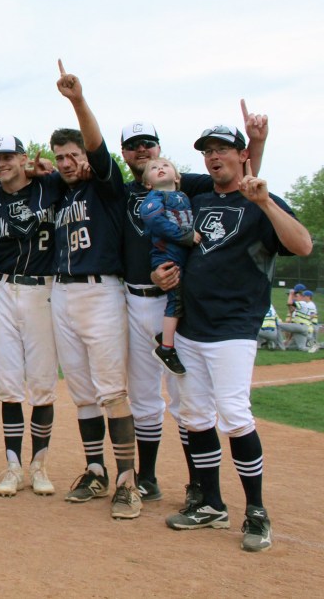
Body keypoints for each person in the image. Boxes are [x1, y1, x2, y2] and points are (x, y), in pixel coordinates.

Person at [154, 124, 312, 552]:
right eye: (208, 151)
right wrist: (160, 272)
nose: (213, 156)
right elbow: (176, 244)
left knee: (235, 417)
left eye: (223, 149)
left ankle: (256, 511)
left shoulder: (260, 202)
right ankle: (211, 503)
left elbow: (303, 245)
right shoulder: (197, 198)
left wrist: (265, 202)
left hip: (233, 328)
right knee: (196, 417)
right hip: (190, 325)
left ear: (243, 156)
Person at [118, 104, 265, 506]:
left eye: (149, 143)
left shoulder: (190, 186)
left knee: (187, 400)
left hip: (178, 301)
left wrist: (257, 142)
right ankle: (147, 477)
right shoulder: (121, 190)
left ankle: (198, 483)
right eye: (133, 145)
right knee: (144, 395)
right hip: (136, 298)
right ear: (125, 153)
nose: (143, 150)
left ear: (161, 150)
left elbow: (240, 179)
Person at [51, 60, 141, 519]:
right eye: (60, 157)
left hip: (101, 291)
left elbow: (98, 148)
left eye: (73, 155)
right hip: (62, 295)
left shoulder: (106, 186)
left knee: (111, 391)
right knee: (83, 393)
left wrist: (78, 101)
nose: (68, 163)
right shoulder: (60, 192)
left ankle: (128, 481)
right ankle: (95, 470)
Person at [0, 131, 61, 498]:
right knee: (9, 385)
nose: (1, 164)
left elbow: (78, 177)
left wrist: (49, 168)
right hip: (4, 288)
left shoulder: (50, 186)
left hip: (43, 289)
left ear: (24, 158)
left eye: (8, 157)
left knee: (42, 384)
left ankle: (39, 465)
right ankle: (13, 466)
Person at [139, 158, 195, 376]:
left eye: (165, 166)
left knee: (186, 295)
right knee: (176, 299)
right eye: (153, 168)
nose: (160, 169)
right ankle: (166, 348)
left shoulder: (183, 196)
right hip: (166, 256)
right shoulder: (155, 198)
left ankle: (166, 335)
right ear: (148, 183)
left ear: (177, 177)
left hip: (183, 255)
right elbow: (153, 219)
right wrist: (185, 236)